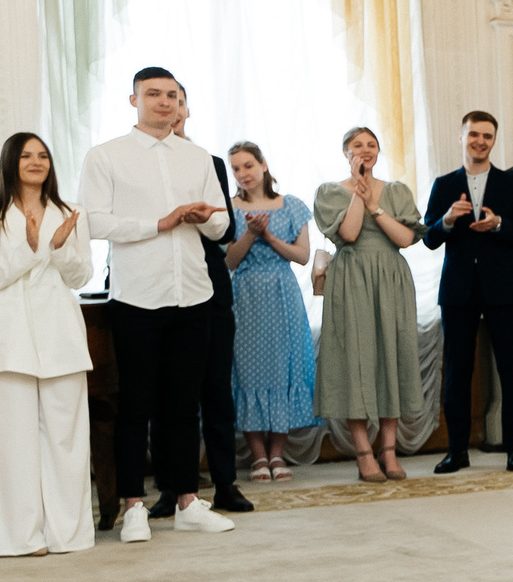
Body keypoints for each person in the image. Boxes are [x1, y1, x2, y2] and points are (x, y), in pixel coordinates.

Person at [77, 67, 234, 540]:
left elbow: (223, 227)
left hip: (193, 291)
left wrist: (203, 217)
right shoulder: (106, 156)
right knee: (135, 404)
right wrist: (159, 223)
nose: (164, 102)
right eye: (153, 94)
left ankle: (187, 500)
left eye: (171, 95)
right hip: (138, 295)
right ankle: (133, 507)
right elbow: (95, 222)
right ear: (133, 100)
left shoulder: (197, 157)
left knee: (184, 404)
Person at [0, 132, 95, 555]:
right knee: (10, 443)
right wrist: (30, 247)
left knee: (66, 440)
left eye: (43, 155)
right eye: (26, 155)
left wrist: (58, 248)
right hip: (6, 340)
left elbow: (80, 278)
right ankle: (16, 539)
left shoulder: (69, 212)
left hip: (60, 335)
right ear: (10, 162)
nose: (36, 161)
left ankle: (68, 534)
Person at [423, 110, 513, 474]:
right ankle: (457, 452)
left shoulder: (511, 182)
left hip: (503, 288)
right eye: (474, 135)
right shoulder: (443, 184)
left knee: (512, 369)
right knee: (457, 371)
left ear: (494, 140)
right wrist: (448, 221)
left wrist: (499, 224)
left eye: (487, 136)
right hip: (458, 290)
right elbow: (428, 238)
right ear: (461, 137)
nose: (480, 141)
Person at [314, 127, 425, 482]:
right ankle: (364, 452)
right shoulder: (331, 192)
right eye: (357, 146)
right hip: (351, 279)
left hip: (390, 278)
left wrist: (375, 204)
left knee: (391, 359)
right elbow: (348, 234)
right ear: (346, 154)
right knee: (355, 360)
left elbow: (406, 238)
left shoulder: (396, 191)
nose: (365, 151)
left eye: (371, 145)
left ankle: (389, 451)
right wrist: (359, 195)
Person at [165, 91, 250, 517]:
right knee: (170, 397)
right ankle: (171, 488)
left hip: (211, 289)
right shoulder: (137, 162)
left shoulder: (209, 162)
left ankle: (225, 483)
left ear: (186, 110)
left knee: (216, 391)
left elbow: (228, 226)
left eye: (178, 101)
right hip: (160, 291)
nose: (171, 108)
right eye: (162, 99)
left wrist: (199, 219)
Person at [222, 141, 316, 481]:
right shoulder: (228, 208)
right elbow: (230, 260)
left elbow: (302, 256)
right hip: (245, 295)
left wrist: (269, 236)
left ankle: (278, 454)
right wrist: (250, 232)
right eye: (235, 168)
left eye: (248, 165)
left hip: (282, 294)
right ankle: (258, 456)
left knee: (282, 371)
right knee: (247, 373)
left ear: (263, 165)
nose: (242, 174)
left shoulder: (291, 205)